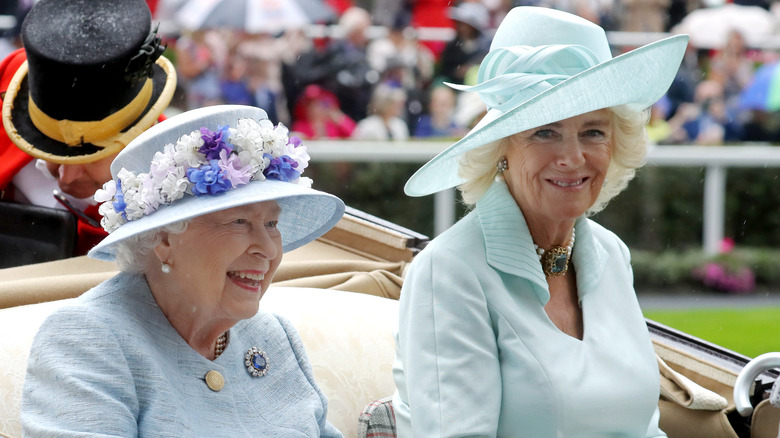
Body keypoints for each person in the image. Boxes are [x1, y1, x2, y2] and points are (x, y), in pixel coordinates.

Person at [392, 7, 688, 437]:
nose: (572, 158)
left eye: (593, 131)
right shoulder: (450, 272)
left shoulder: (610, 253)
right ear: (501, 148)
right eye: (545, 132)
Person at [21, 105, 346, 436]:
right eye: (240, 221)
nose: (269, 249)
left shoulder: (272, 335)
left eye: (272, 223)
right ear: (164, 239)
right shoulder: (87, 340)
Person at [0, 0, 176, 256]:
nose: (65, 178)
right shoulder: (9, 86)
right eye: (47, 148)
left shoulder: (177, 185)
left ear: (143, 131)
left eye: (90, 155)